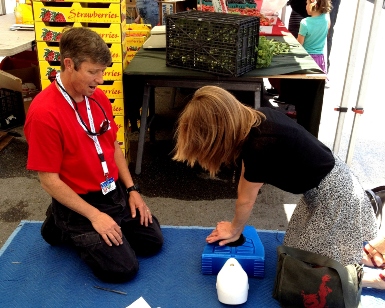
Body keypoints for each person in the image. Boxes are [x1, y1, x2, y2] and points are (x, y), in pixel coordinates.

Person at [172, 85, 383, 289]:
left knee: (307, 270)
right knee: (293, 251)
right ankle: (353, 252)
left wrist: (235, 229)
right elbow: (247, 180)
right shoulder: (256, 120)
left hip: (335, 196)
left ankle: (373, 280)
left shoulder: (259, 145)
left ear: (218, 134)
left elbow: (246, 199)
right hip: (325, 187)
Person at [24, 27, 163, 283]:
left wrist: (133, 190)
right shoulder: (44, 113)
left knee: (152, 243)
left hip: (111, 191)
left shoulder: (97, 96)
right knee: (123, 270)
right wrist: (95, 216)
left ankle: (65, 221)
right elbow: (48, 180)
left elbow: (112, 147)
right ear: (69, 64)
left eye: (103, 71)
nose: (100, 79)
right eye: (92, 71)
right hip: (81, 198)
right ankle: (65, 223)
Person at [297, 0, 332, 74]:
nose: (306, 6)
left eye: (307, 4)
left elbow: (299, 45)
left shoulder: (305, 23)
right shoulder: (326, 20)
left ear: (313, 5)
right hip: (319, 60)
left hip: (306, 59)